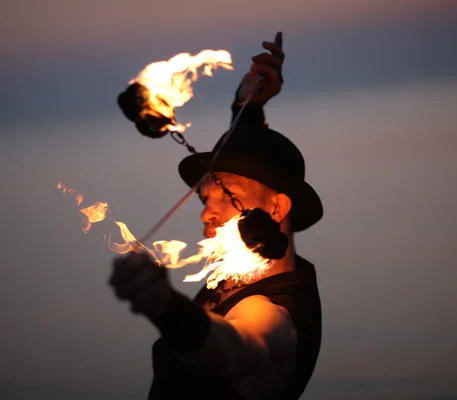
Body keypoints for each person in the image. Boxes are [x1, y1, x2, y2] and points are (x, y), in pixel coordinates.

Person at [108, 32, 324, 400]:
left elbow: (240, 350)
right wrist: (247, 107)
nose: (208, 211)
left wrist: (166, 306)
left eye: (227, 195)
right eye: (205, 197)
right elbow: (253, 174)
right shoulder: (237, 276)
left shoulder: (271, 311)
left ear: (278, 208)